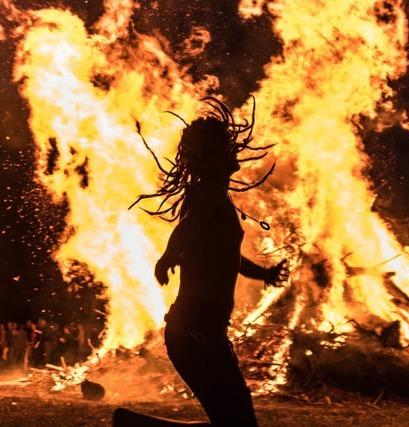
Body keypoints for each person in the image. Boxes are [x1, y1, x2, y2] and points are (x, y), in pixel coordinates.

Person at [114, 98, 288, 427]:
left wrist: (263, 273)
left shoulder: (214, 197)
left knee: (232, 421)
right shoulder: (207, 193)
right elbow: (187, 228)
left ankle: (133, 424)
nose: (234, 151)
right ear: (213, 157)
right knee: (237, 423)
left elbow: (226, 257)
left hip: (200, 328)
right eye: (226, 146)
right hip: (197, 328)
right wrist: (168, 256)